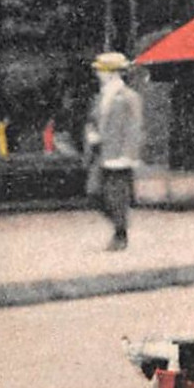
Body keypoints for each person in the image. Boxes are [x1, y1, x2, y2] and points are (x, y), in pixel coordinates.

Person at [85, 52, 144, 251]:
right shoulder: (100, 96)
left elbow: (134, 127)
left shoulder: (129, 97)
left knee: (116, 196)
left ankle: (120, 234)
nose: (98, 74)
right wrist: (92, 134)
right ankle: (121, 225)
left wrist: (129, 154)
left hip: (119, 155)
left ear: (112, 73)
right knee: (93, 193)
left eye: (101, 70)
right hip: (101, 152)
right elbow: (93, 120)